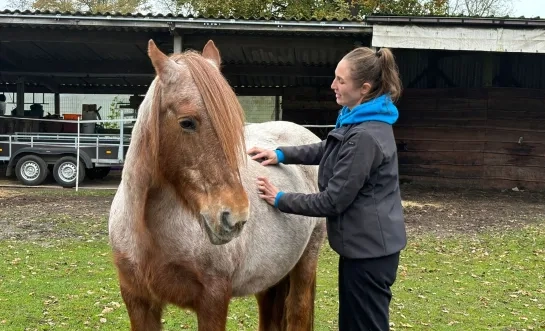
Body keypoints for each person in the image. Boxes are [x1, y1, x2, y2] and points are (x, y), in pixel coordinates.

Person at [247, 46, 407, 331]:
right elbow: (328, 148)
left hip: (370, 254)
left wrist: (280, 198)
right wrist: (281, 154)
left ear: (364, 88)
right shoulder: (357, 120)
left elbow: (332, 202)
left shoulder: (365, 136)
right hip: (364, 247)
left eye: (341, 80)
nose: (333, 85)